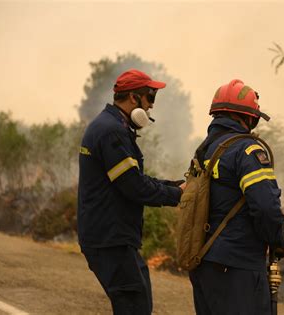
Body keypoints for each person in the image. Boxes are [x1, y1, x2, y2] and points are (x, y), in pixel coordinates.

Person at [77, 69, 185, 315]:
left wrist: (173, 185)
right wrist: (178, 196)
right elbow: (134, 187)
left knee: (137, 302)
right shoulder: (112, 131)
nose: (150, 107)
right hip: (110, 239)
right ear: (134, 98)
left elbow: (132, 178)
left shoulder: (112, 125)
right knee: (135, 306)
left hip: (113, 237)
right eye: (150, 98)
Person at [188, 79, 284, 315]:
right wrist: (278, 240)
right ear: (250, 118)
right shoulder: (247, 151)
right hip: (237, 267)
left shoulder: (204, 152)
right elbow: (265, 207)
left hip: (205, 262)